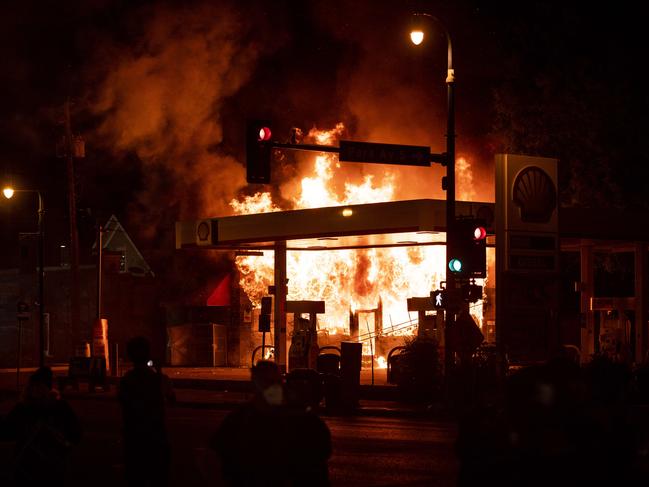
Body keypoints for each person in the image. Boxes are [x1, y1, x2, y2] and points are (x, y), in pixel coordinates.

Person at [210, 360, 331, 486]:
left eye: (278, 382)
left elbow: (319, 454)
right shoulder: (241, 418)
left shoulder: (299, 418)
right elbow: (214, 456)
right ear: (256, 385)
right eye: (268, 383)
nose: (274, 388)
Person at [1, 366, 82, 487]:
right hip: (35, 467)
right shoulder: (25, 408)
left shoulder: (55, 407)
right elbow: (7, 431)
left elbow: (75, 433)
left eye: (40, 386)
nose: (36, 389)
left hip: (43, 467)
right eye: (34, 385)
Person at [118, 336, 176, 487]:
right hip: (157, 439)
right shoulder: (160, 380)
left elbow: (123, 405)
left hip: (134, 441)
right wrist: (158, 371)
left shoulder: (125, 382)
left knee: (135, 478)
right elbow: (172, 399)